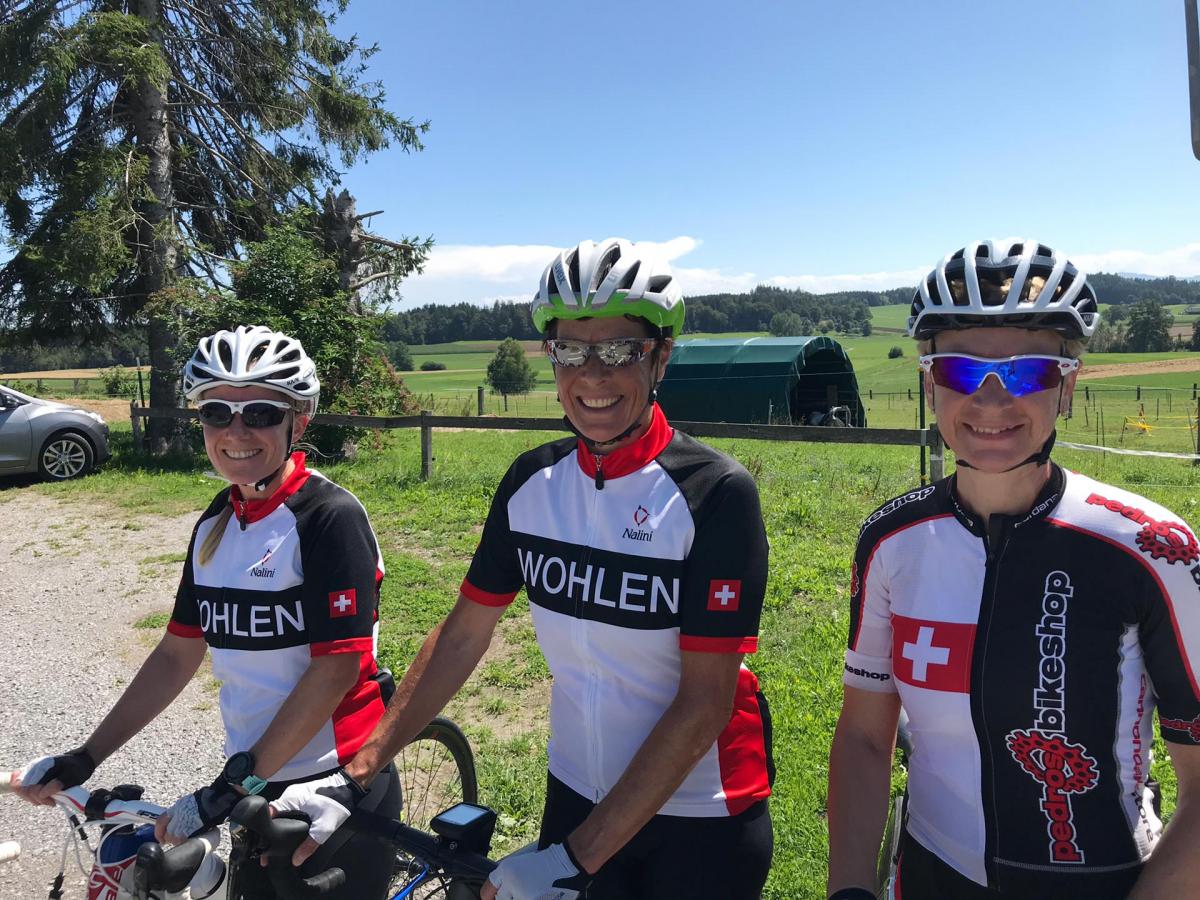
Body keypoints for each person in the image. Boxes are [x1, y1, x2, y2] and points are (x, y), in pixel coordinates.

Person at [274, 238, 775, 900]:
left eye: (619, 350)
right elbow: (462, 637)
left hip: (701, 811)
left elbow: (706, 700)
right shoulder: (532, 483)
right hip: (576, 792)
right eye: (570, 350)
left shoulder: (715, 493)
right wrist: (356, 775)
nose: (591, 374)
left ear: (660, 355)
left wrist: (578, 857)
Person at [826, 240, 1200, 900]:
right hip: (932, 875)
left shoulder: (1151, 547)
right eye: (960, 370)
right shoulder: (890, 540)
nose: (992, 401)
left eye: (1028, 372)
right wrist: (851, 888)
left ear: (1068, 384)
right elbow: (863, 738)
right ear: (929, 383)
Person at [12, 325, 401, 900]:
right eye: (217, 412)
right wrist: (86, 756)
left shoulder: (329, 518)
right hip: (253, 780)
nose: (235, 432)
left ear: (298, 422)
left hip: (332, 781)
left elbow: (336, 668)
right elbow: (176, 653)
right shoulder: (218, 520)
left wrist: (231, 787)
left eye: (261, 413)